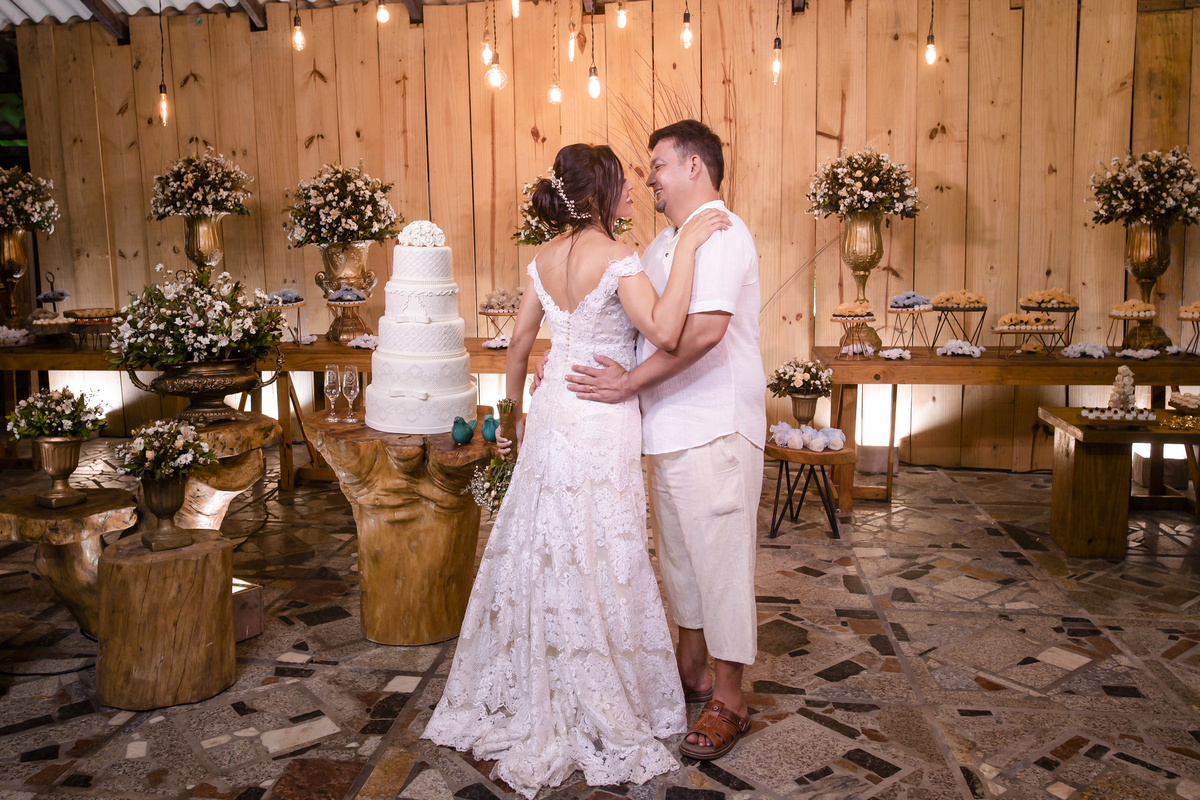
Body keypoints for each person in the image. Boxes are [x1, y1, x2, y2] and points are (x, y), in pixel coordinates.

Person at [423, 142, 730, 799]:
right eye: (624, 181)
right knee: (601, 546)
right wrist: (695, 250)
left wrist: (509, 424)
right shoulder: (616, 257)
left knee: (547, 544)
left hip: (556, 406)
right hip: (599, 413)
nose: (635, 188)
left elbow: (516, 350)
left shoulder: (544, 258)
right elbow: (669, 330)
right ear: (599, 193)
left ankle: (540, 674)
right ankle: (598, 688)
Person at [565, 120, 767, 761]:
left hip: (718, 428)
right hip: (669, 431)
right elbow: (634, 324)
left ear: (695, 169)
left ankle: (731, 698)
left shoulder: (722, 232)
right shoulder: (664, 246)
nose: (647, 175)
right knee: (681, 565)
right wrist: (566, 357)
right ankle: (693, 672)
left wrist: (627, 384)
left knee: (720, 567)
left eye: (658, 164)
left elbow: (701, 333)